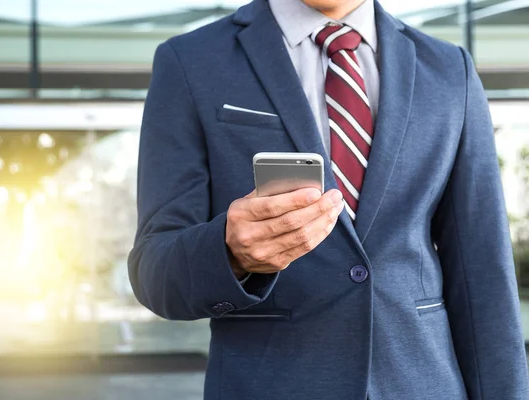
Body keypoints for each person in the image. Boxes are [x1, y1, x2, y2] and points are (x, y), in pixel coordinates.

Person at [128, 0, 529, 398]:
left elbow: (483, 272)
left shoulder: (449, 69)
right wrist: (230, 253)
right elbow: (155, 271)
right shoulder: (190, 60)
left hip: (422, 383)